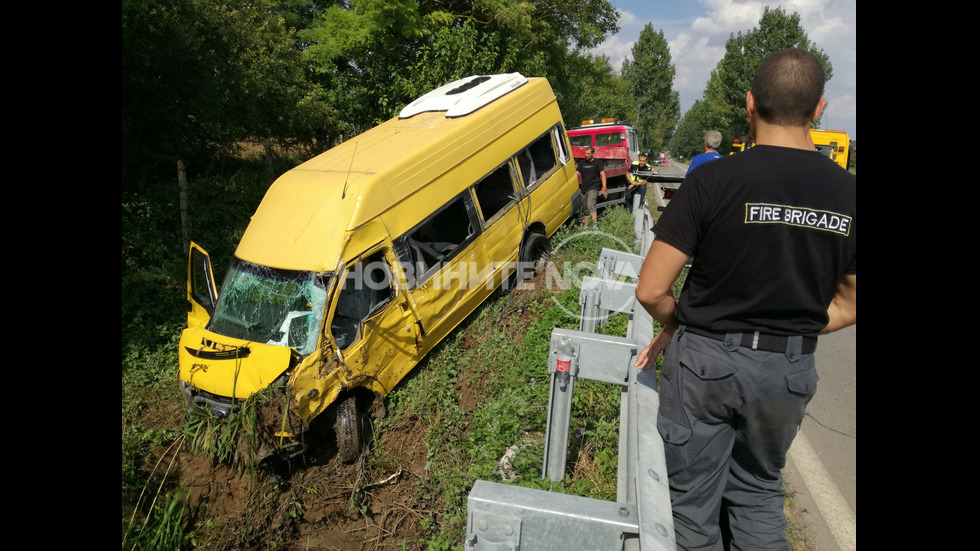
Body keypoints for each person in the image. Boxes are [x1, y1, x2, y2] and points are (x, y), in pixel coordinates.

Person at [633, 48, 856, 550]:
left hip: (705, 365)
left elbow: (651, 288)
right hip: (787, 372)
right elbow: (850, 303)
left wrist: (681, 321)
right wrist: (789, 328)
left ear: (750, 103)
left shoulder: (712, 180)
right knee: (758, 495)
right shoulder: (850, 194)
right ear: (819, 109)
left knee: (690, 508)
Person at [575, 146, 607, 226]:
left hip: (594, 187)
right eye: (585, 153)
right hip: (584, 188)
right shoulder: (582, 163)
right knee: (585, 209)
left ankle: (595, 225)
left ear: (593, 153)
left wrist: (604, 187)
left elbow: (602, 174)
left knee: (590, 205)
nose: (586, 155)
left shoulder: (597, 163)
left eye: (588, 154)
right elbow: (576, 174)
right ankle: (586, 226)